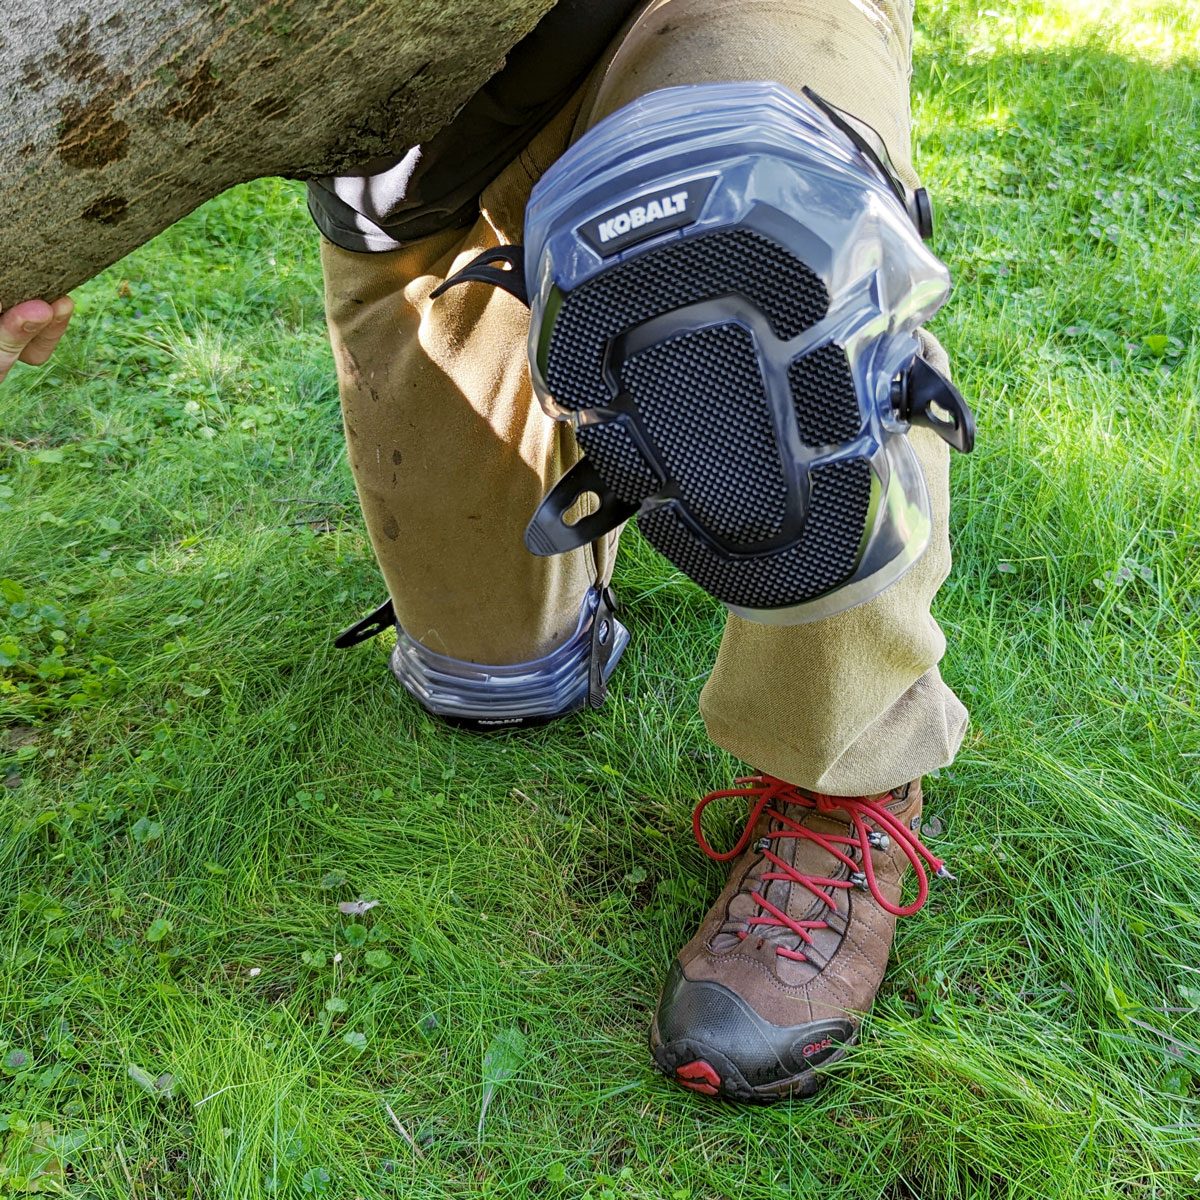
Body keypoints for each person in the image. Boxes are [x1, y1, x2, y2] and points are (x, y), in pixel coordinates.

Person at [1, 0, 969, 1103]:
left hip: (685, 14)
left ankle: (842, 779)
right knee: (495, 676)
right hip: (409, 134)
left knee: (753, 240)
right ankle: (610, 410)